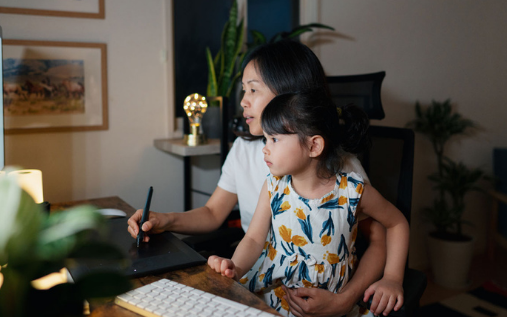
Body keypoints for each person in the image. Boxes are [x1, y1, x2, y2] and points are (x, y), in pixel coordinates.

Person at [129, 40, 388, 316]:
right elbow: (213, 212)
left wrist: (345, 300)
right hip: (260, 285)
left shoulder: (341, 166)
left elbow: (379, 238)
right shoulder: (244, 149)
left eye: (253, 89)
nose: (243, 100)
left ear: (290, 96)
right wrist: (165, 220)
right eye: (244, 90)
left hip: (326, 295)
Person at [207, 91, 410, 317]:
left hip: (334, 307)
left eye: (274, 139)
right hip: (274, 300)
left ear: (314, 146)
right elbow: (254, 239)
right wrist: (235, 268)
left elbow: (397, 223)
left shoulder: (353, 192)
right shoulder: (273, 186)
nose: (265, 148)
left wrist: (392, 278)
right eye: (265, 139)